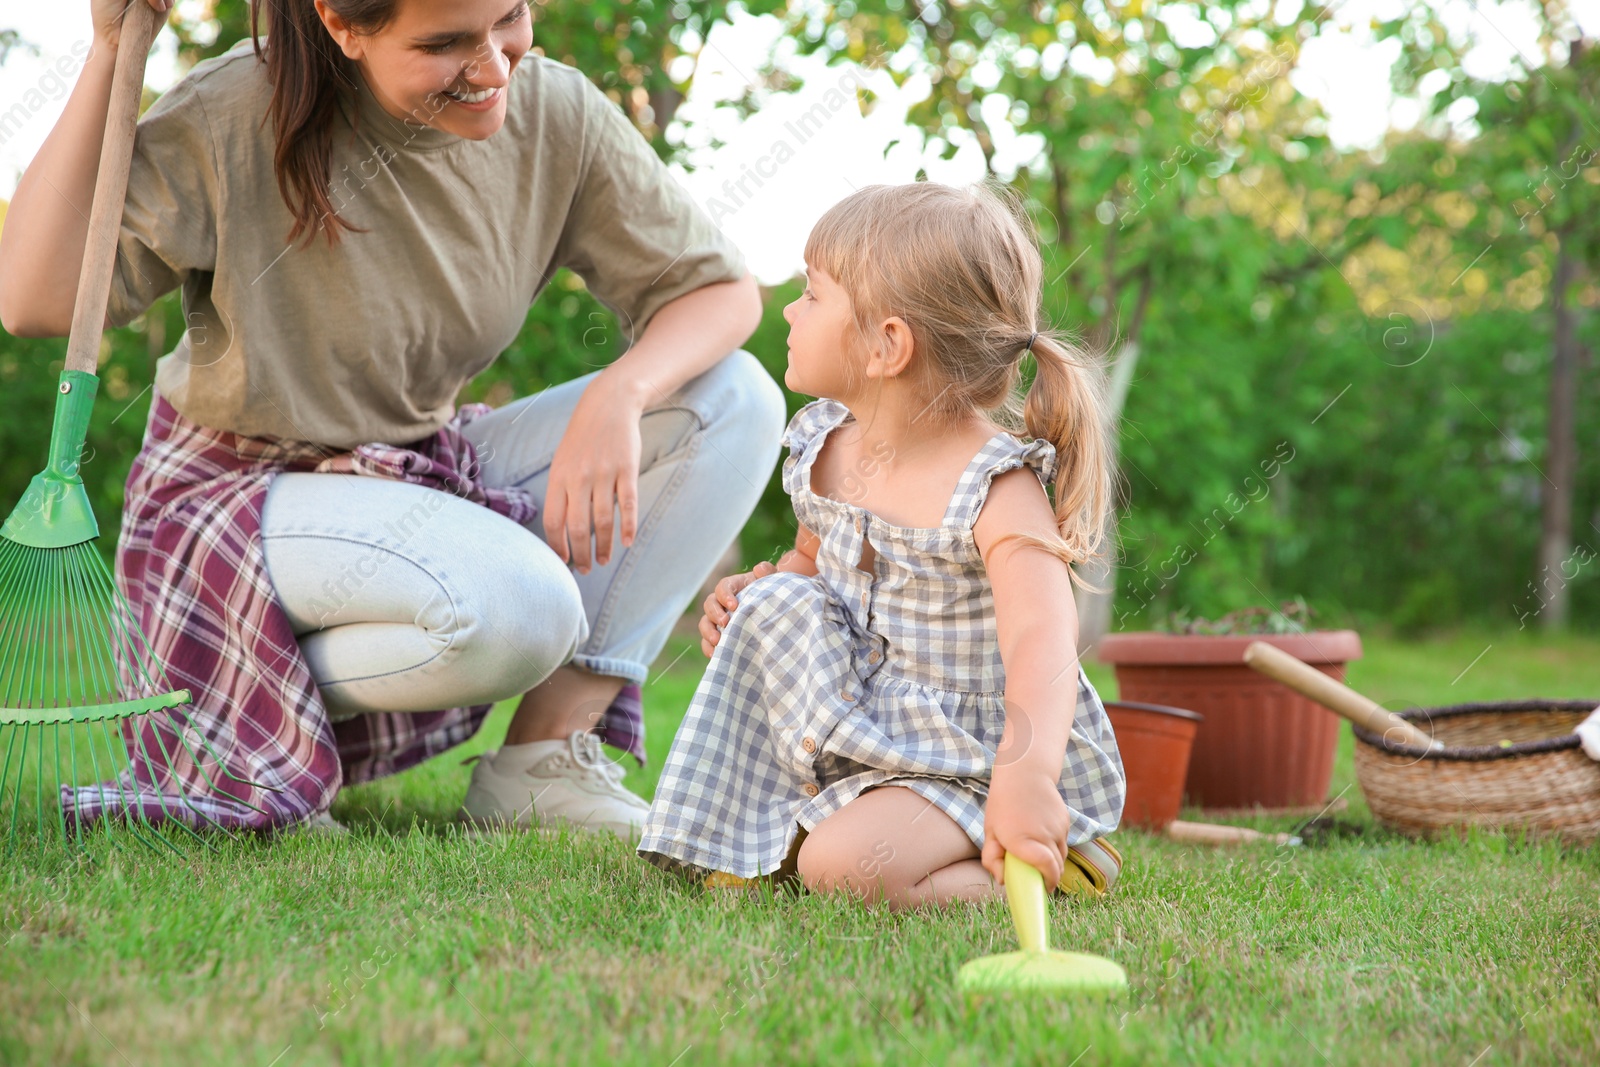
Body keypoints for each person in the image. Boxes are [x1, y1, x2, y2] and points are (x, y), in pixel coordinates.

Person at [0, 0, 784, 837]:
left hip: (412, 467)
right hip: (231, 497)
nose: (492, 67)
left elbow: (718, 291)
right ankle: (231, 716)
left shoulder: (555, 113)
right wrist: (110, 51)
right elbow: (34, 298)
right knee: (525, 609)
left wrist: (621, 390)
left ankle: (544, 761)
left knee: (733, 398)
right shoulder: (234, 111)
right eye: (445, 43)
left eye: (509, 18)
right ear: (343, 25)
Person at [637, 182, 1126, 909]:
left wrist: (1025, 779)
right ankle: (837, 825)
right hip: (866, 731)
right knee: (776, 611)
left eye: (812, 294)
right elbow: (813, 569)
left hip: (971, 758)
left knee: (844, 868)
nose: (792, 313)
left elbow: (1044, 646)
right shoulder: (826, 446)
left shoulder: (995, 486)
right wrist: (756, 592)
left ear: (887, 344)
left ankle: (1051, 857)